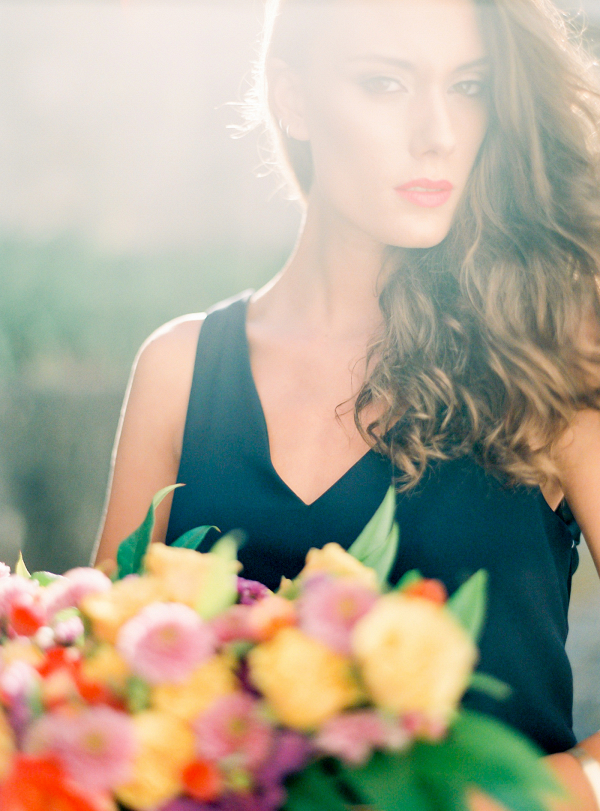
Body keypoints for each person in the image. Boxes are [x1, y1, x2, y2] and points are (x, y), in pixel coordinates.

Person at [93, 0, 600, 806]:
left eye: (469, 87)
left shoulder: (550, 352)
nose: (437, 131)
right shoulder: (179, 371)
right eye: (385, 83)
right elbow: (101, 707)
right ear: (291, 98)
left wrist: (498, 799)